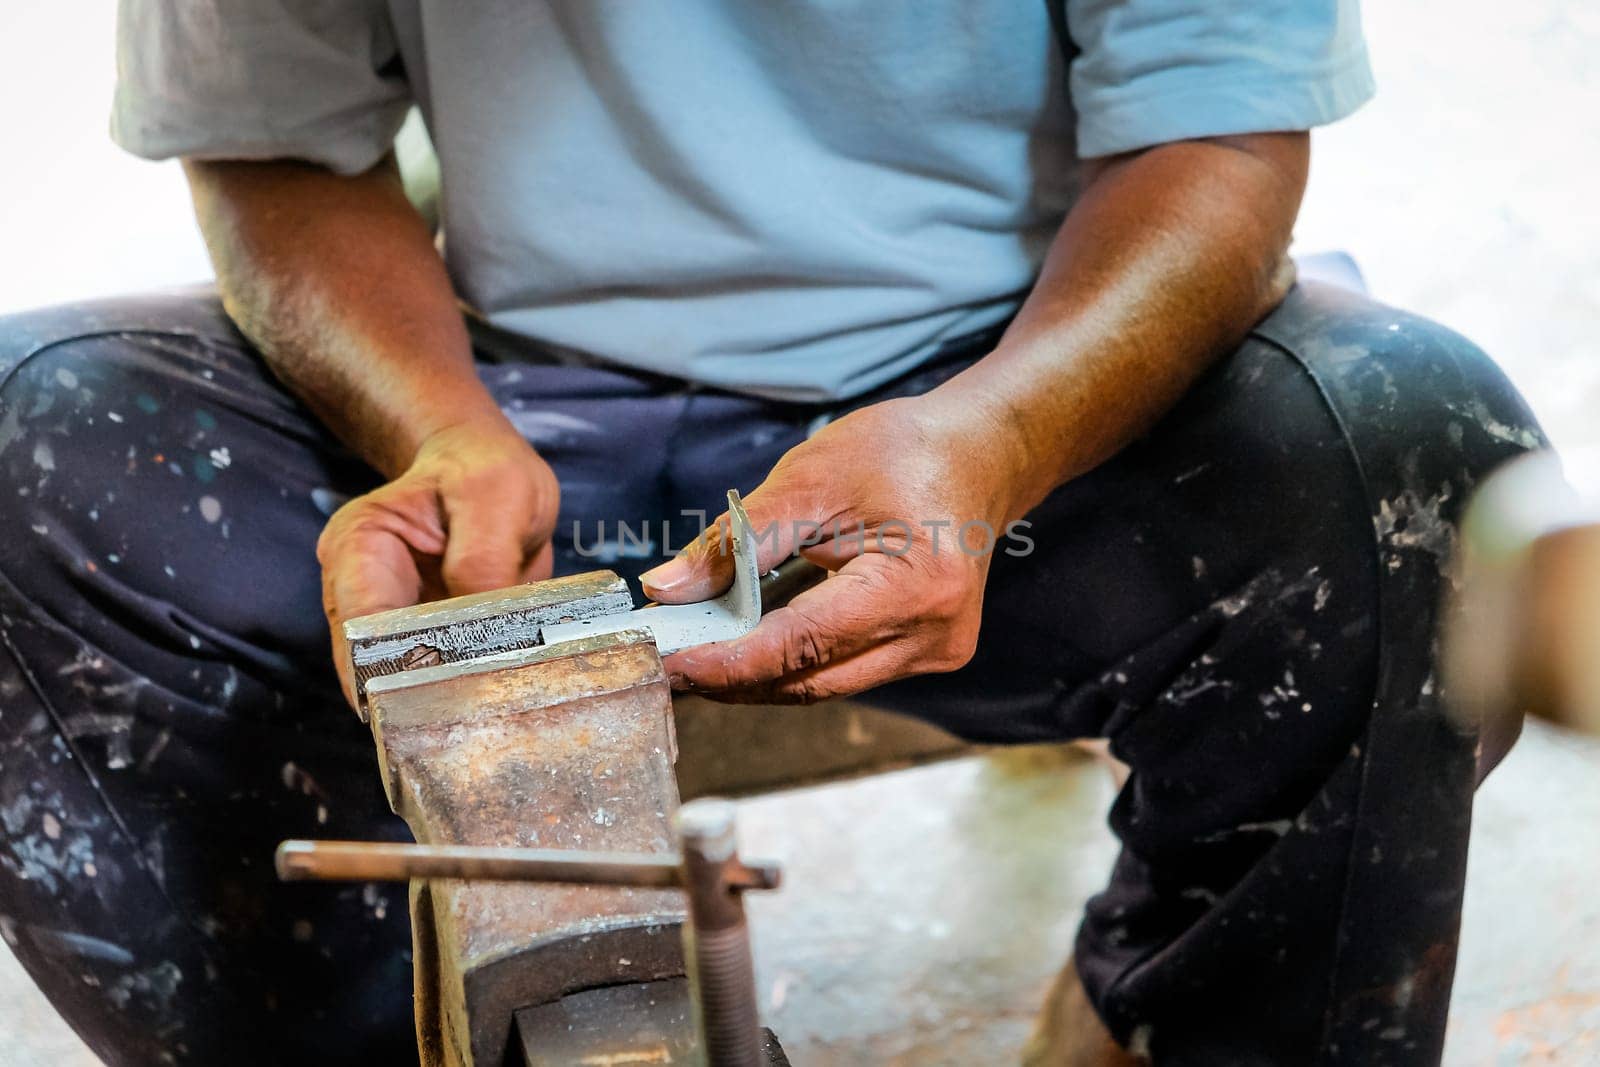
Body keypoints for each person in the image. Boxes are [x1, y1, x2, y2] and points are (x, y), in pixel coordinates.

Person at [0, 2, 1546, 1064]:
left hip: (1022, 401)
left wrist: (998, 434)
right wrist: (434, 428)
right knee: (31, 439)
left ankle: (1166, 1009)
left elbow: (1221, 136)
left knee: (1415, 465)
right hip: (523, 402)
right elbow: (275, 139)